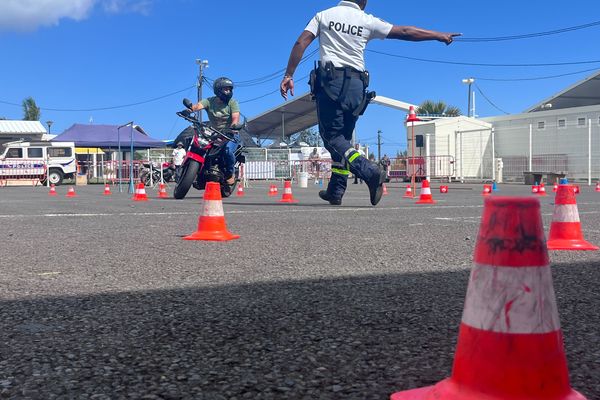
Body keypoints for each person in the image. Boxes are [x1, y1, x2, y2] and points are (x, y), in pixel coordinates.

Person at [280, 0, 459, 206]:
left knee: (331, 137)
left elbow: (301, 42)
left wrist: (288, 75)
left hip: (332, 84)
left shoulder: (324, 15)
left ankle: (370, 171)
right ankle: (335, 191)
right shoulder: (367, 20)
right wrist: (439, 36)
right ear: (363, 3)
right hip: (357, 87)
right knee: (343, 140)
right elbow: (405, 31)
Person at [189, 77, 240, 185]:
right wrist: (189, 110)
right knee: (199, 146)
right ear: (218, 90)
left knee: (227, 151)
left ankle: (230, 173)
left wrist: (232, 128)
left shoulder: (232, 103)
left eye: (230, 89)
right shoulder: (209, 101)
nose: (228, 92)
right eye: (225, 89)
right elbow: (198, 106)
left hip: (230, 134)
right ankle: (198, 172)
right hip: (213, 133)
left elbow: (235, 118)